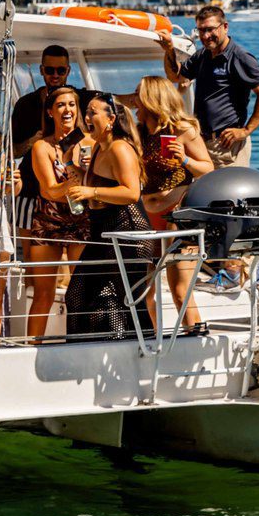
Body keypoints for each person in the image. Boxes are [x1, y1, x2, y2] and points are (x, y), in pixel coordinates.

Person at [62, 93, 153, 339]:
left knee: (127, 299)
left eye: (93, 112)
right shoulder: (99, 148)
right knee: (77, 295)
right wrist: (67, 162)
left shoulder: (119, 148)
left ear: (111, 118)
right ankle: (88, 348)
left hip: (128, 231)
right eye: (87, 113)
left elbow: (131, 193)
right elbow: (88, 185)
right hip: (102, 231)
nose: (87, 117)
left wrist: (91, 190)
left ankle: (137, 348)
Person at [133, 76, 217, 332]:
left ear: (151, 99)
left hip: (175, 216)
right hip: (145, 216)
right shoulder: (138, 132)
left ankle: (196, 337)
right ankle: (150, 337)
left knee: (180, 290)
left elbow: (208, 168)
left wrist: (184, 161)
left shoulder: (182, 129)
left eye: (138, 94)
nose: (134, 100)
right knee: (143, 291)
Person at [162, 3, 259, 166]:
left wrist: (245, 131)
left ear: (225, 27)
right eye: (201, 30)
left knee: (229, 191)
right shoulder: (202, 56)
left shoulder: (239, 57)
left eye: (210, 29)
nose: (206, 36)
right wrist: (169, 49)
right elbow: (175, 76)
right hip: (201, 141)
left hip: (225, 145)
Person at [23, 85, 89, 340]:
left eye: (72, 104)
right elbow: (49, 190)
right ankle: (30, 348)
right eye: (60, 105)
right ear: (50, 111)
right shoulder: (42, 146)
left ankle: (81, 343)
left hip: (81, 218)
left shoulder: (90, 143)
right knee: (43, 293)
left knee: (81, 289)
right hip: (48, 219)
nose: (67, 110)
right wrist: (75, 172)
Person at [9, 45, 85, 230]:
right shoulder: (26, 104)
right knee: (31, 254)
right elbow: (12, 149)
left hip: (69, 192)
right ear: (41, 70)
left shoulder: (81, 98)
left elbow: (111, 104)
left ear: (68, 71)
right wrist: (32, 142)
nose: (55, 75)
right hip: (30, 190)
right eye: (50, 70)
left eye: (61, 70)